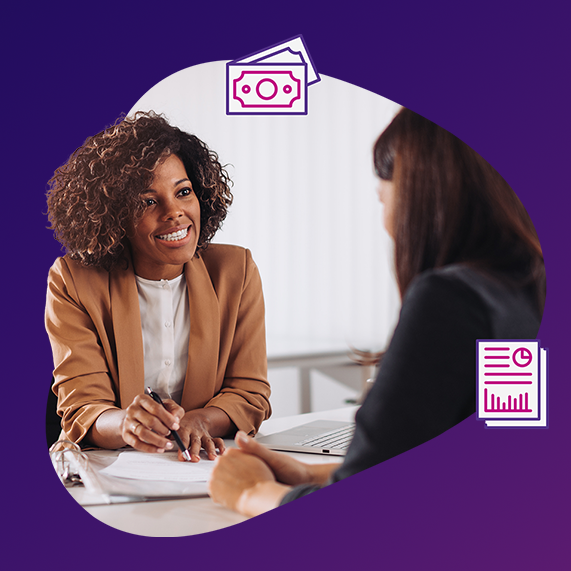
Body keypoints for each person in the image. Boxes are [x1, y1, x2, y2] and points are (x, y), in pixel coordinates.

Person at [208, 108, 545, 513]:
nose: (386, 221)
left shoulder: (451, 302)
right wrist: (314, 475)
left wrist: (250, 492)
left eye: (383, 197)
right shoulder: (529, 287)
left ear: (422, 196)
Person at [45, 111, 271, 461]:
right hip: (108, 469)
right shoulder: (73, 280)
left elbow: (249, 393)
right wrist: (126, 424)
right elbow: (83, 407)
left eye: (183, 192)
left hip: (200, 466)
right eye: (148, 201)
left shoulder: (235, 271)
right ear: (113, 214)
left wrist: (200, 421)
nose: (174, 212)